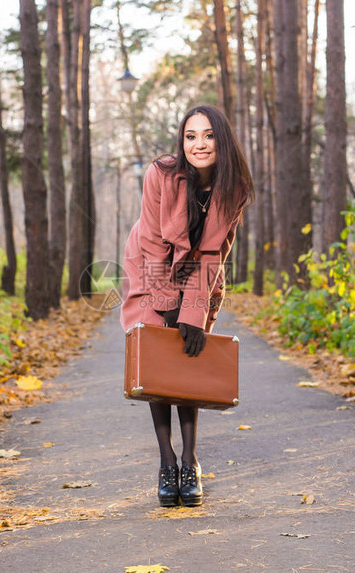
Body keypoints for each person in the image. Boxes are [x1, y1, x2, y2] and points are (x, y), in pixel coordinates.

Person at [120, 104, 254, 507]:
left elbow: (214, 253)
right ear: (182, 141)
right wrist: (164, 305)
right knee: (160, 357)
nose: (199, 144)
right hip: (149, 267)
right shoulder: (160, 174)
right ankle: (166, 461)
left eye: (209, 135)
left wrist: (192, 312)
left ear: (222, 140)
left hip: (201, 273)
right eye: (191, 136)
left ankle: (191, 461)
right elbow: (153, 242)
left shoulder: (234, 188)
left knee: (188, 356)